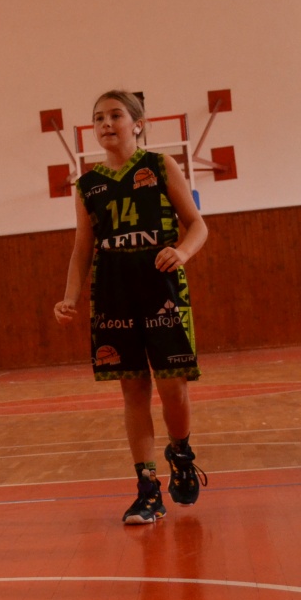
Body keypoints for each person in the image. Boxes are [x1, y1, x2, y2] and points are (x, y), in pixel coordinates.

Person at [54, 91, 209, 526]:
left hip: (161, 290)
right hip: (113, 294)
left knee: (173, 388)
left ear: (137, 124)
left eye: (115, 115)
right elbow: (82, 249)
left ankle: (180, 451)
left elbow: (198, 225)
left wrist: (182, 252)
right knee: (133, 391)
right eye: (98, 118)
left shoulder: (160, 166)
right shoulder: (88, 185)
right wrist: (69, 297)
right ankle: (147, 488)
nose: (105, 123)